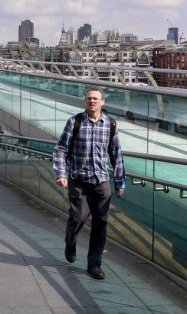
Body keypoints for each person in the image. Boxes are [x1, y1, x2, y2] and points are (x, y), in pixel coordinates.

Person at [53, 88, 125, 280]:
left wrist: (120, 181)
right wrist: (61, 173)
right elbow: (60, 149)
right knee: (77, 218)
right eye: (89, 99)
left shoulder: (110, 124)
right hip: (79, 180)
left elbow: (116, 154)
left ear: (102, 102)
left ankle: (94, 265)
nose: (92, 101)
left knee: (100, 224)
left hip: (102, 182)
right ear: (85, 102)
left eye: (95, 99)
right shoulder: (75, 122)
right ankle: (70, 243)